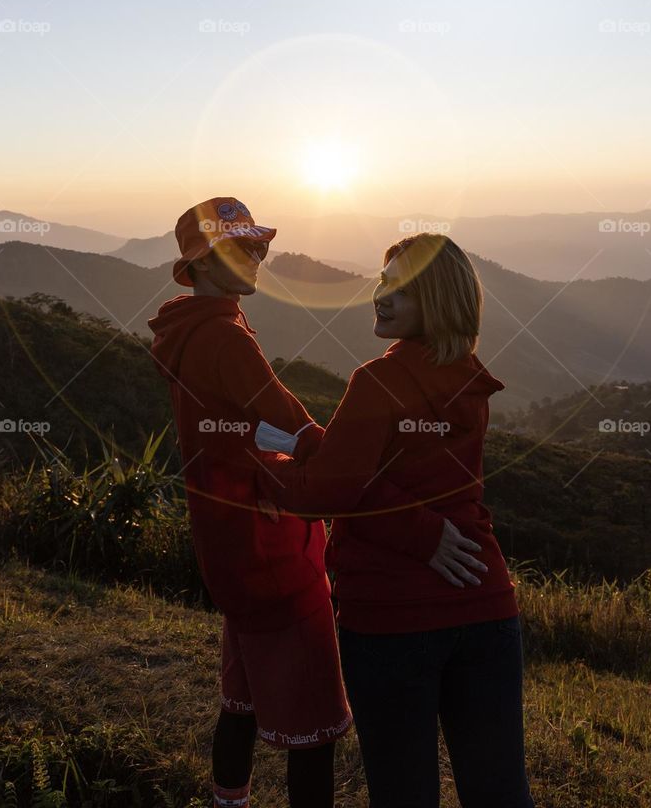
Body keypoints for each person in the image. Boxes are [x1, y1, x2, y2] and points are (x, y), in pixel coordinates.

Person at [148, 200, 485, 808]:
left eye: (256, 245)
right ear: (201, 263)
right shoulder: (224, 335)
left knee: (242, 696)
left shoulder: (187, 329)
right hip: (271, 547)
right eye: (238, 248)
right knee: (314, 732)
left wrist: (266, 445)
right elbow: (296, 429)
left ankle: (230, 799)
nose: (257, 257)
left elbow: (233, 433)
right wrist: (355, 472)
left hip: (225, 543)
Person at [256, 231, 536, 808]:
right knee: (500, 790)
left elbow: (327, 494)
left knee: (403, 791)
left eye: (401, 288)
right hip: (485, 605)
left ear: (434, 299)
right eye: (383, 281)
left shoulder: (376, 381)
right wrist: (323, 450)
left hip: (393, 619)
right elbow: (384, 474)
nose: (380, 295)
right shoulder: (470, 380)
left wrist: (262, 462)